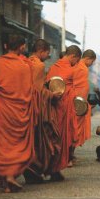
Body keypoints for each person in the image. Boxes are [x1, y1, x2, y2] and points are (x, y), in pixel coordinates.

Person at [0, 34, 35, 192]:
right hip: (21, 112)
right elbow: (30, 89)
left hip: (3, 111)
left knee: (2, 144)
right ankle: (9, 177)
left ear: (5, 46)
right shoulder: (26, 66)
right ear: (22, 47)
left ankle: (4, 178)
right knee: (18, 144)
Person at [23, 39, 62, 184]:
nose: (47, 56)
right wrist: (53, 95)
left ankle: (38, 170)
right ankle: (40, 170)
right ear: (41, 51)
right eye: (47, 53)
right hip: (40, 108)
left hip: (26, 106)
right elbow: (38, 91)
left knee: (35, 140)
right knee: (50, 138)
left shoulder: (26, 62)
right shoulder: (38, 65)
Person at [45, 45, 82, 179]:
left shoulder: (54, 67)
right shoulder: (71, 70)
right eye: (76, 60)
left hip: (53, 107)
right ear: (73, 56)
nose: (76, 63)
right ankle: (55, 169)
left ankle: (54, 169)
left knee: (54, 138)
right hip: (63, 108)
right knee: (61, 140)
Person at [70, 49, 97, 165]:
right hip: (77, 105)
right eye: (92, 62)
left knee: (74, 130)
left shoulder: (77, 66)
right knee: (74, 131)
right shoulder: (82, 68)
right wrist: (83, 105)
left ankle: (70, 155)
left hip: (77, 103)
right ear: (88, 59)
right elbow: (78, 88)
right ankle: (69, 157)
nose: (92, 64)